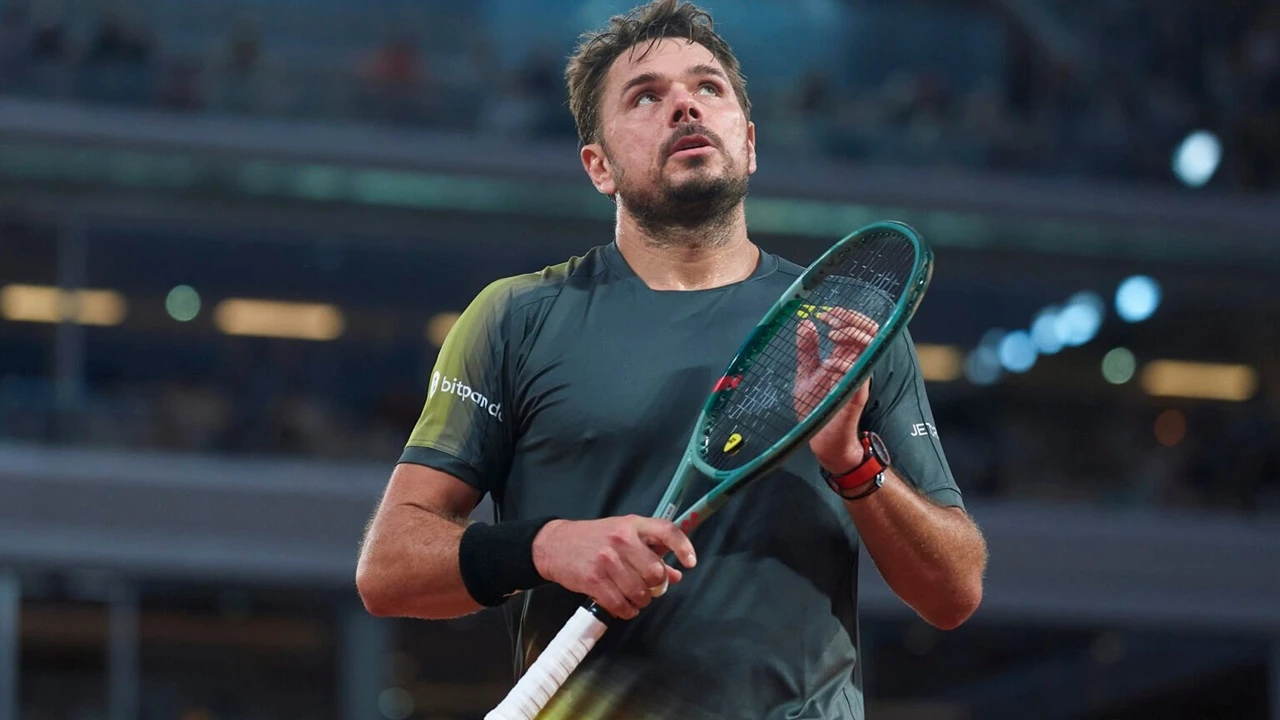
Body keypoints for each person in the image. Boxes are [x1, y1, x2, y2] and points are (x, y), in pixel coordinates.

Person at [355, 1, 988, 717]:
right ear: (599, 166)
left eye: (707, 87)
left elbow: (953, 591)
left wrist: (852, 463)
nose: (685, 105)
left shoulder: (846, 335)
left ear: (749, 142)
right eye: (645, 96)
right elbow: (390, 568)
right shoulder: (515, 318)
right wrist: (546, 547)